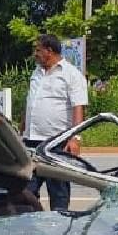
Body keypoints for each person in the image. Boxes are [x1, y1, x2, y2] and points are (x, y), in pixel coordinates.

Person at [21, 33, 88, 211]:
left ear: (49, 51)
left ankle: (59, 224)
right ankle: (30, 222)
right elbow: (30, 103)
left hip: (57, 143)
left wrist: (75, 138)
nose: (35, 54)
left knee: (58, 189)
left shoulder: (71, 74)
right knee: (27, 187)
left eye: (38, 50)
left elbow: (78, 107)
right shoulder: (36, 72)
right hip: (31, 140)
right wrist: (22, 131)